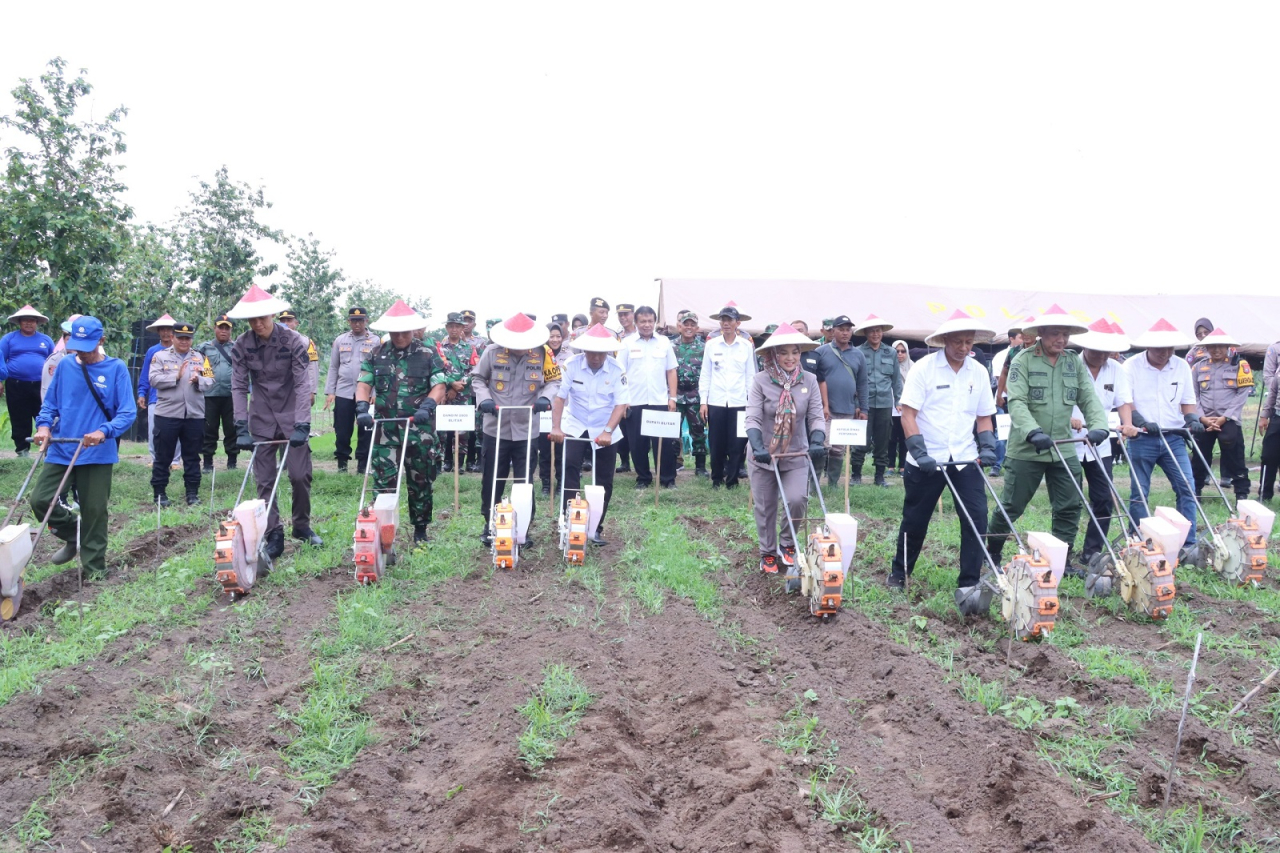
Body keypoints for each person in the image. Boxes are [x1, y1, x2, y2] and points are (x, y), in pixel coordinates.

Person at [986, 305, 1109, 573]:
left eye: (1065, 335)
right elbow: (1016, 401)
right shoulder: (1023, 360)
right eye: (1055, 334)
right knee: (1012, 506)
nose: (1061, 340)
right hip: (1027, 448)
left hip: (1062, 448)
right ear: (1041, 333)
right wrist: (1032, 431)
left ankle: (1061, 560)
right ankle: (991, 550)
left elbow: (1088, 397)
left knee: (1069, 505)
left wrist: (1099, 426)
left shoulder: (1072, 361)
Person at [889, 310, 998, 593]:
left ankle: (970, 583)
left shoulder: (979, 372)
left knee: (977, 518)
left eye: (969, 342)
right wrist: (919, 450)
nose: (964, 348)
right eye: (958, 342)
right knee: (915, 519)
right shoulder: (924, 368)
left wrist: (987, 446)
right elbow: (908, 413)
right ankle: (899, 574)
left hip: (964, 457)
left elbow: (984, 416)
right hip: (926, 459)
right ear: (945, 340)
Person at [31, 316, 137, 579]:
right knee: (41, 499)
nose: (82, 353)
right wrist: (43, 426)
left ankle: (94, 571)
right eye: (77, 346)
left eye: (88, 347)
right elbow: (50, 404)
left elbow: (127, 412)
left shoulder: (116, 368)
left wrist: (104, 431)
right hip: (62, 448)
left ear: (101, 341)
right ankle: (73, 532)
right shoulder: (66, 366)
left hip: (97, 453)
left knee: (94, 510)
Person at [228, 285, 322, 557]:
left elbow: (303, 383)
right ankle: (274, 533)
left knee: (299, 474)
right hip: (262, 416)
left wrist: (303, 423)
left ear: (273, 315)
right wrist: (240, 426)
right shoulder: (242, 345)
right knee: (265, 480)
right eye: (252, 319)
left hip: (293, 413)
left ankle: (302, 526)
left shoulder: (294, 341)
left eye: (263, 318)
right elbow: (238, 386)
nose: (258, 324)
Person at [355, 301, 450, 545]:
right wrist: (362, 407)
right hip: (386, 431)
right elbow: (364, 383)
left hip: (419, 430)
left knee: (421, 480)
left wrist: (428, 406)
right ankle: (384, 532)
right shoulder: (377, 354)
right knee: (384, 481)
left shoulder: (428, 353)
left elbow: (439, 385)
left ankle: (420, 531)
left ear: (413, 330)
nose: (399, 336)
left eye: (404, 331)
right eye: (394, 332)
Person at [472, 313, 561, 545]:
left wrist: (545, 397)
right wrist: (484, 400)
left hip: (526, 428)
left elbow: (554, 381)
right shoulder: (492, 352)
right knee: (492, 479)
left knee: (524, 481)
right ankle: (490, 524)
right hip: (496, 427)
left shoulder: (543, 353)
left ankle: (523, 527)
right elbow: (478, 379)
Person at [745, 324, 825, 573]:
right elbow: (753, 418)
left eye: (795, 352)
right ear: (773, 355)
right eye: (784, 353)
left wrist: (817, 440)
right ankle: (768, 552)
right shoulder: (760, 381)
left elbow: (816, 416)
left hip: (797, 452)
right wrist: (758, 446)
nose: (790, 358)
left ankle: (788, 543)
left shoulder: (809, 380)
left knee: (797, 499)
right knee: (766, 506)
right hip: (764, 454)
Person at [1122, 318, 1202, 556]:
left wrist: (1193, 420)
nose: (1165, 353)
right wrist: (1141, 422)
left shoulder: (1181, 367)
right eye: (1160, 349)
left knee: (1186, 487)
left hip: (1173, 437)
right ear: (1148, 346)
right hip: (1142, 437)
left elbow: (1188, 402)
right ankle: (1139, 540)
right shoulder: (1131, 367)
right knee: (1140, 492)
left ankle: (1188, 544)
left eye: (1170, 349)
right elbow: (1126, 402)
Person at [549, 323, 628, 546]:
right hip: (576, 423)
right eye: (591, 352)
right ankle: (570, 520)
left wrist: (608, 431)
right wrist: (556, 428)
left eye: (600, 352)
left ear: (607, 351)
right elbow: (560, 398)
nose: (595, 357)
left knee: (604, 478)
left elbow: (621, 404)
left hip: (605, 424)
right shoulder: (572, 365)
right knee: (570, 467)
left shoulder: (616, 368)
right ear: (584, 351)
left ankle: (596, 527)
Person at [1067, 320, 1137, 566]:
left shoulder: (1116, 369)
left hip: (1101, 442)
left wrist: (1126, 425)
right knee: (1070, 501)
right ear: (1085, 347)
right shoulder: (1069, 364)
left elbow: (1123, 402)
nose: (1101, 355)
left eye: (1106, 351)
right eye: (1096, 350)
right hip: (1069, 441)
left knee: (1104, 499)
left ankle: (1092, 552)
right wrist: (1070, 417)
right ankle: (1062, 551)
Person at [149, 322, 214, 506]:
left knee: (192, 456)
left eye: (188, 338)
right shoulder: (160, 357)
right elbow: (153, 379)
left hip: (194, 415)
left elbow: (211, 380)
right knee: (164, 455)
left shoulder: (201, 358)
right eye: (180, 338)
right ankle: (159, 493)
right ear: (173, 338)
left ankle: (192, 494)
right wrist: (175, 377)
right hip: (168, 414)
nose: (184, 341)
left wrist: (198, 380)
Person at [1189, 327, 1253, 501]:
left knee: (1235, 456)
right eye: (1213, 346)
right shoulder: (1197, 368)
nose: (1217, 350)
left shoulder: (1240, 365)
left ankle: (1242, 493)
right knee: (1199, 456)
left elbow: (1242, 393)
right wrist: (1202, 418)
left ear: (1228, 347)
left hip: (1229, 419)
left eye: (1221, 346)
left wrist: (1225, 417)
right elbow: (1193, 395)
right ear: (1206, 348)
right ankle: (1196, 491)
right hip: (1204, 420)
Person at [618, 306, 678, 489]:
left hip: (660, 401)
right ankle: (643, 478)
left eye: (650, 321)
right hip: (634, 401)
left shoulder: (664, 342)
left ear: (655, 322)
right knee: (637, 444)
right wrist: (623, 400)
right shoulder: (627, 343)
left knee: (665, 443)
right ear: (635, 322)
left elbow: (671, 371)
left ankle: (668, 479)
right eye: (642, 321)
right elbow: (620, 373)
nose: (646, 325)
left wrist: (672, 398)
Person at [699, 304, 756, 488]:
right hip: (716, 401)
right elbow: (705, 375)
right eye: (723, 320)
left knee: (737, 443)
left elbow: (750, 377)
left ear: (737, 323)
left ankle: (732, 480)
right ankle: (716, 478)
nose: (726, 323)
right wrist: (703, 402)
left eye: (730, 320)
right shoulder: (711, 345)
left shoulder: (746, 346)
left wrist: (751, 404)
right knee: (716, 443)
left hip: (739, 402)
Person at [813, 315, 867, 488]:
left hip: (847, 409)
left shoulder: (859, 355)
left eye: (848, 329)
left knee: (838, 449)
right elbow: (815, 380)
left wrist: (864, 408)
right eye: (841, 329)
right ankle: (813, 483)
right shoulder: (821, 352)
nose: (845, 333)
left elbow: (863, 384)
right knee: (821, 446)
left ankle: (833, 484)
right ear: (832, 331)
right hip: (825, 409)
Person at [851, 314, 902, 487]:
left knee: (883, 441)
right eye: (871, 331)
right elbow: (854, 380)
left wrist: (899, 401)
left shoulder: (891, 352)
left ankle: (879, 476)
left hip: (885, 403)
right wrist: (857, 405)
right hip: (864, 405)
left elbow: (896, 380)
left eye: (878, 331)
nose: (875, 334)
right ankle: (856, 475)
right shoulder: (857, 352)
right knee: (861, 441)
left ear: (882, 332)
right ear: (865, 333)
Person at [324, 307, 377, 473]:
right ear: (349, 321)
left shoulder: (375, 341)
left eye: (360, 320)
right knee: (342, 430)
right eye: (354, 320)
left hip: (367, 393)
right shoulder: (340, 340)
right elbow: (333, 367)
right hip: (343, 392)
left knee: (365, 429)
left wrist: (375, 392)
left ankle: (362, 466)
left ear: (366, 321)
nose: (357, 324)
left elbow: (378, 369)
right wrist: (330, 392)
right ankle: (342, 464)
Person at [2, 305, 55, 457]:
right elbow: (0, 359)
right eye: (25, 321)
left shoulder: (45, 340)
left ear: (37, 322)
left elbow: (55, 361)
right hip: (16, 384)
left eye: (32, 321)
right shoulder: (9, 339)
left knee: (44, 414)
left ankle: (47, 450)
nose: (28, 323)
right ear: (19, 322)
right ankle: (22, 450)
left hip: (42, 385)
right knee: (19, 417)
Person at [136, 313, 185, 467]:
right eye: (162, 329)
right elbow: (145, 374)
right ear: (158, 331)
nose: (166, 332)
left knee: (177, 429)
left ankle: (175, 460)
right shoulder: (152, 351)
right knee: (153, 428)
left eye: (169, 329)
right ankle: (155, 458)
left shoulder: (182, 350)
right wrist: (142, 392)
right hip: (155, 396)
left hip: (177, 396)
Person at [435, 312, 481, 474]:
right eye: (451, 326)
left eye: (457, 326)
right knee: (442, 429)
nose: (454, 329)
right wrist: (450, 385)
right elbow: (437, 369)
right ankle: (444, 461)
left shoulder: (469, 348)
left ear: (462, 328)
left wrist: (459, 385)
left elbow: (474, 369)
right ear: (447, 327)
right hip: (444, 393)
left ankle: (459, 463)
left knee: (462, 430)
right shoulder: (439, 347)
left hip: (464, 393)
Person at [197, 313, 239, 472]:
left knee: (231, 429)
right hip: (209, 395)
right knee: (209, 429)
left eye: (227, 328)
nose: (223, 331)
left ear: (230, 330)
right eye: (220, 327)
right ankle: (207, 462)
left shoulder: (237, 348)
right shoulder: (204, 348)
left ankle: (232, 462)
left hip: (231, 395)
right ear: (214, 328)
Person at [536, 320, 572, 495]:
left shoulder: (570, 355)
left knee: (561, 449)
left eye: (558, 336)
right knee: (544, 448)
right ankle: (545, 483)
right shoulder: (538, 353)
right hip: (543, 406)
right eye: (552, 336)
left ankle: (560, 483)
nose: (555, 339)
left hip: (564, 407)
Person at [673, 310, 709, 477]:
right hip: (676, 396)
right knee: (673, 431)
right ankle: (672, 463)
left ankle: (700, 466)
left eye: (692, 324)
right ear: (679, 326)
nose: (688, 327)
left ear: (697, 328)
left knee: (698, 431)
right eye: (685, 324)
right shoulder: (671, 347)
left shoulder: (704, 348)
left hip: (696, 397)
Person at [277, 309, 320, 407]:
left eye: (289, 321)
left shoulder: (306, 342)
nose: (285, 323)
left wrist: (312, 391)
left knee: (299, 418)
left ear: (296, 323)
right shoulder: (271, 341)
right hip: (278, 388)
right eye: (282, 321)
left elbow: (312, 367)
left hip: (299, 387)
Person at [40, 314, 81, 401]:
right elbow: (47, 390)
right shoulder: (55, 360)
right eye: (69, 339)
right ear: (64, 340)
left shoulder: (90, 359)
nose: (73, 343)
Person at [888, 339, 913, 475]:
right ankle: (890, 466)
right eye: (896, 351)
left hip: (907, 407)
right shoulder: (888, 365)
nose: (900, 354)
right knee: (891, 438)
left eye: (903, 351)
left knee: (905, 438)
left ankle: (903, 466)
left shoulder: (913, 367)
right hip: (890, 405)